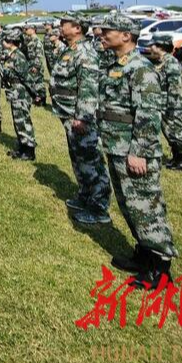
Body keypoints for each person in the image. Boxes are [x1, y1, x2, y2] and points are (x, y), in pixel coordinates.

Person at [97, 14, 178, 288]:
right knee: (130, 206)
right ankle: (143, 255)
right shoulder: (118, 64)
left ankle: (161, 269)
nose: (102, 34)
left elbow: (148, 113)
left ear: (126, 35)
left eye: (108, 30)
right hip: (117, 146)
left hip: (134, 150)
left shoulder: (141, 68)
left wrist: (139, 151)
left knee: (147, 208)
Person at [50, 14, 112, 225]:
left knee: (90, 160)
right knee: (79, 158)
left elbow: (88, 87)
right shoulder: (71, 49)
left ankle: (99, 208)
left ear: (77, 28)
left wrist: (83, 117)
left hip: (79, 117)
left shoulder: (85, 52)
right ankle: (86, 196)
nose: (60, 27)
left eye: (63, 24)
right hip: (67, 113)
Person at [145, 33, 182, 171]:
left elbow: (175, 88)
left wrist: (171, 108)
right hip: (164, 103)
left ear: (160, 47)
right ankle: (177, 157)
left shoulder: (171, 62)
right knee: (169, 132)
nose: (150, 49)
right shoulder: (161, 62)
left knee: (176, 131)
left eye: (152, 46)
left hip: (173, 105)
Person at [0, 28, 36, 160]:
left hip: (21, 92)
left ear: (10, 42)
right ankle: (21, 147)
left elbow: (26, 78)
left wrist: (34, 94)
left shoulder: (18, 56)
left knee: (24, 120)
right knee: (18, 121)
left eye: (5, 40)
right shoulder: (11, 55)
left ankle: (29, 150)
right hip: (14, 92)